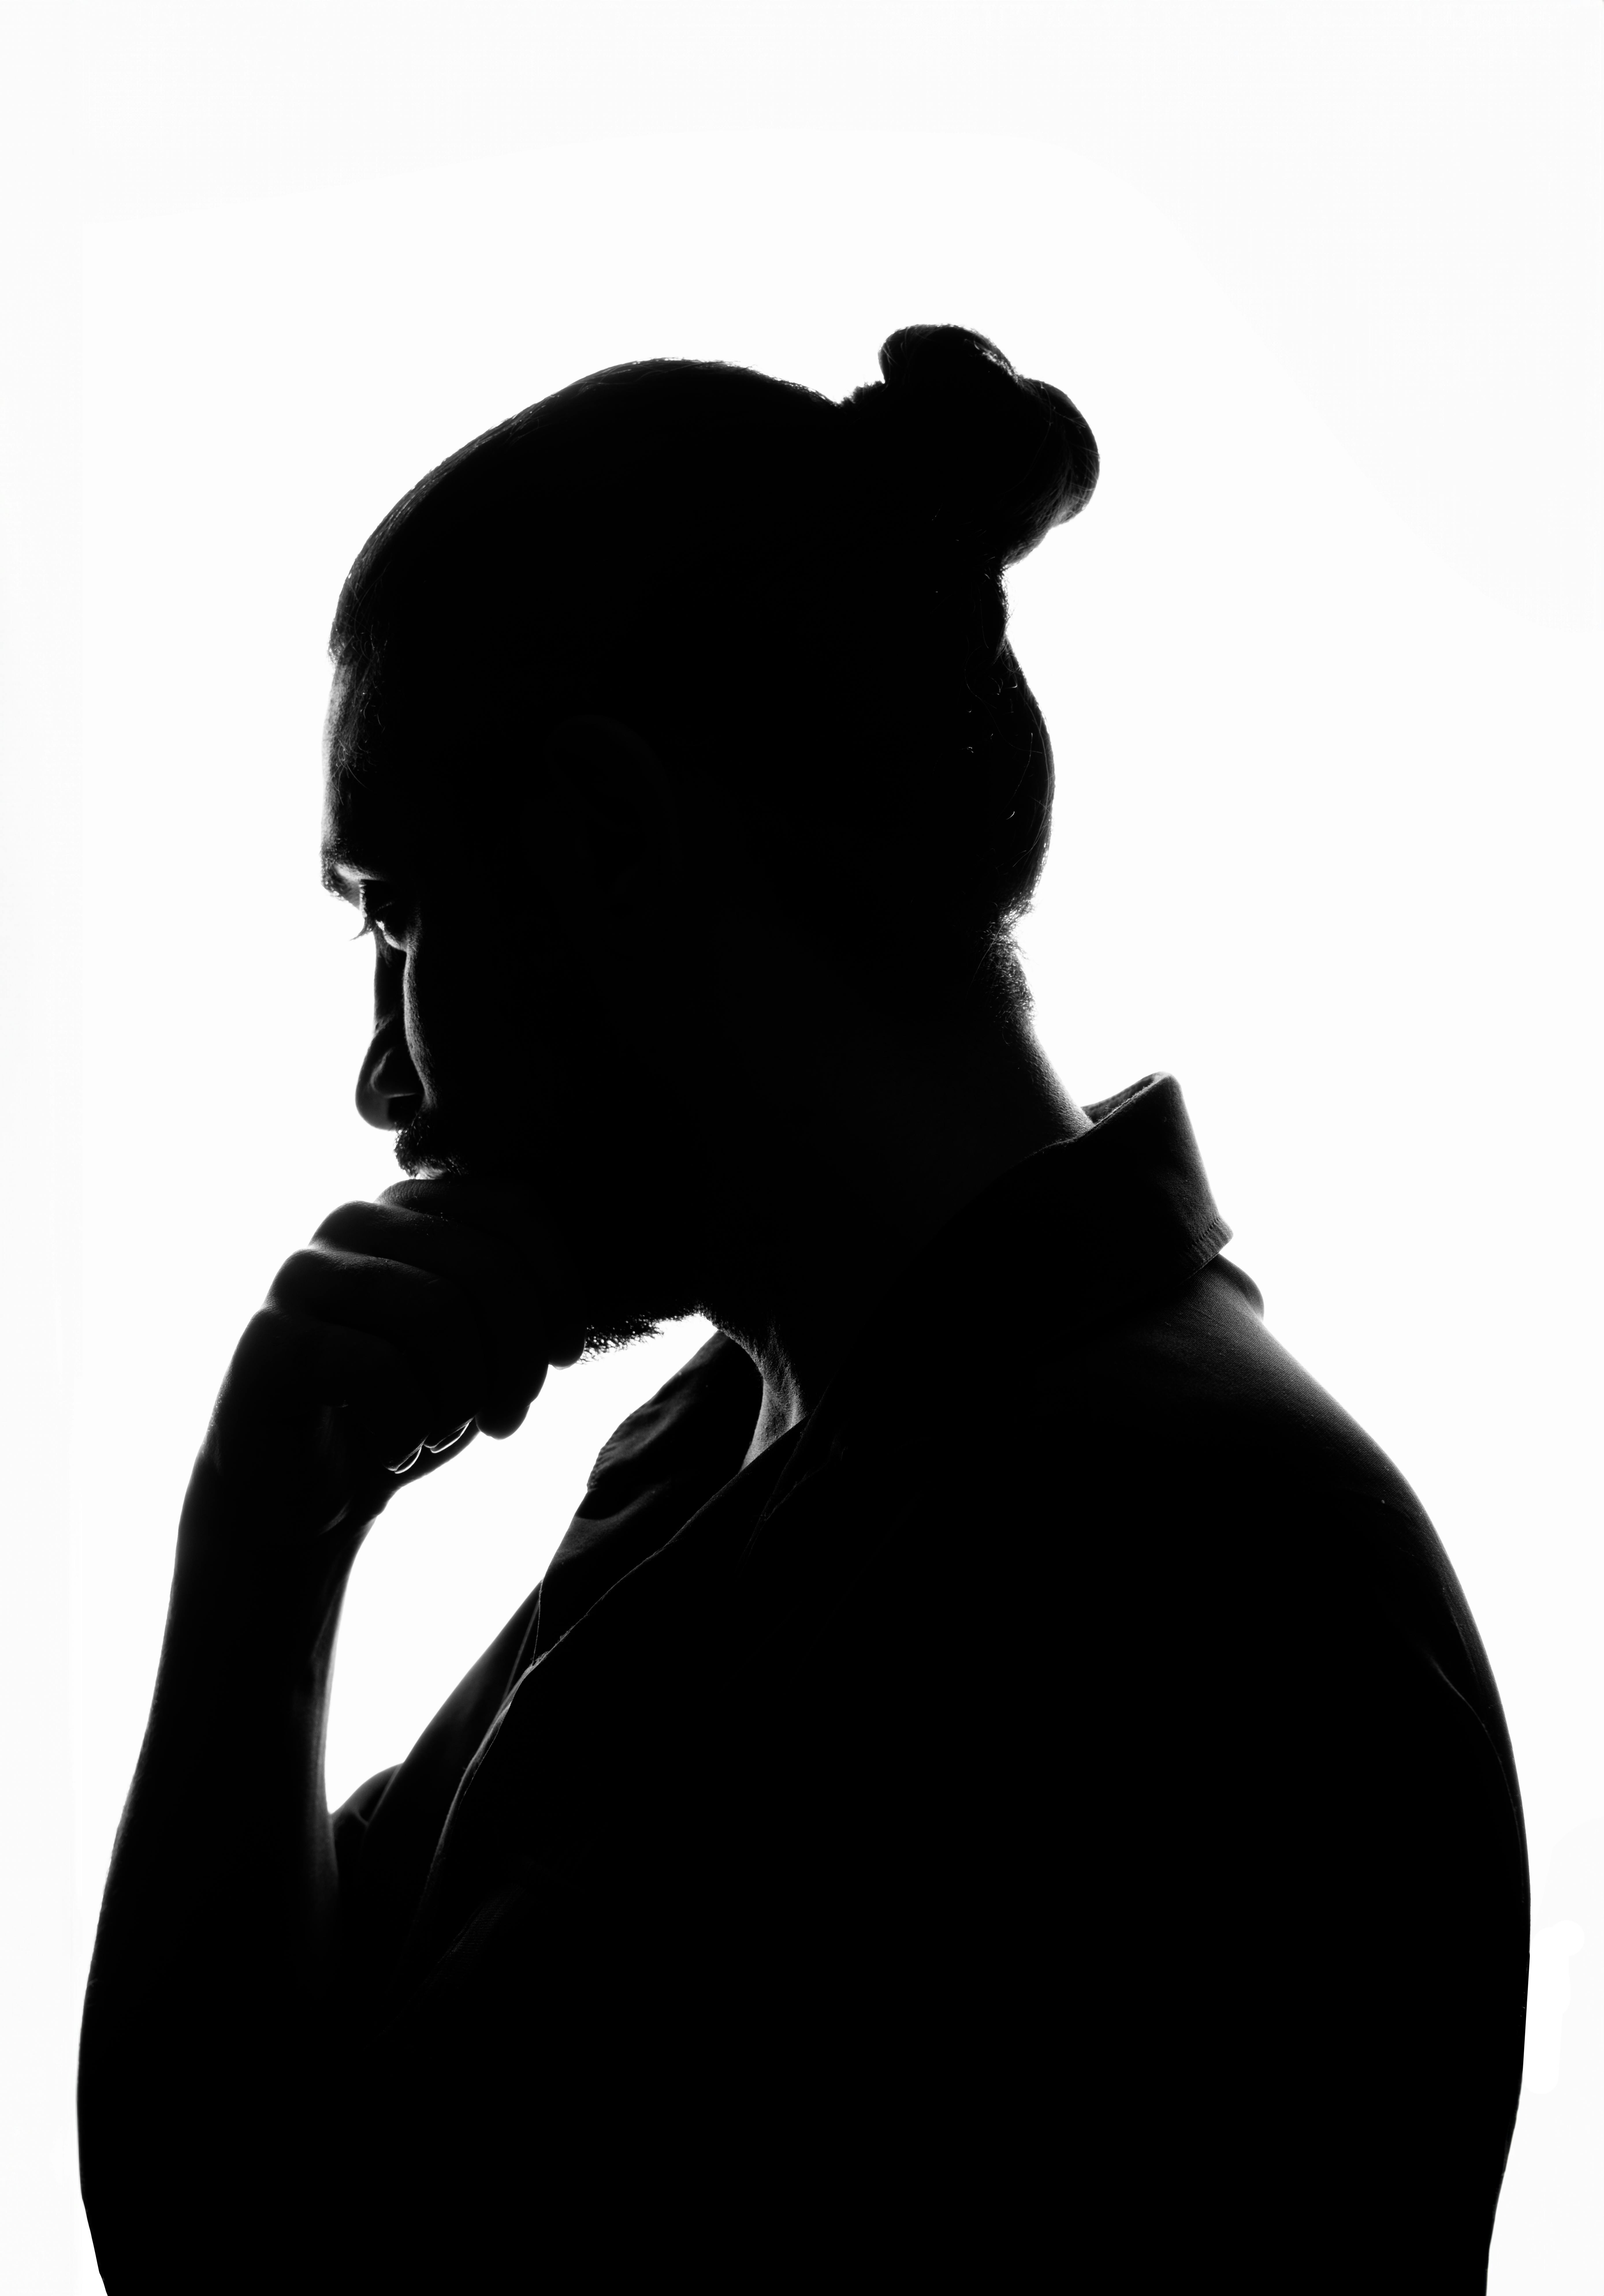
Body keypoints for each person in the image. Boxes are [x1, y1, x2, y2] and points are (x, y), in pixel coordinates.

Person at [78, 325, 1529, 2290]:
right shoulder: (713, 1454)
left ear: (604, 837)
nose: (380, 1081)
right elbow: (233, 2207)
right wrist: (264, 1547)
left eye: (398, 919)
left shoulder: (1160, 1558)